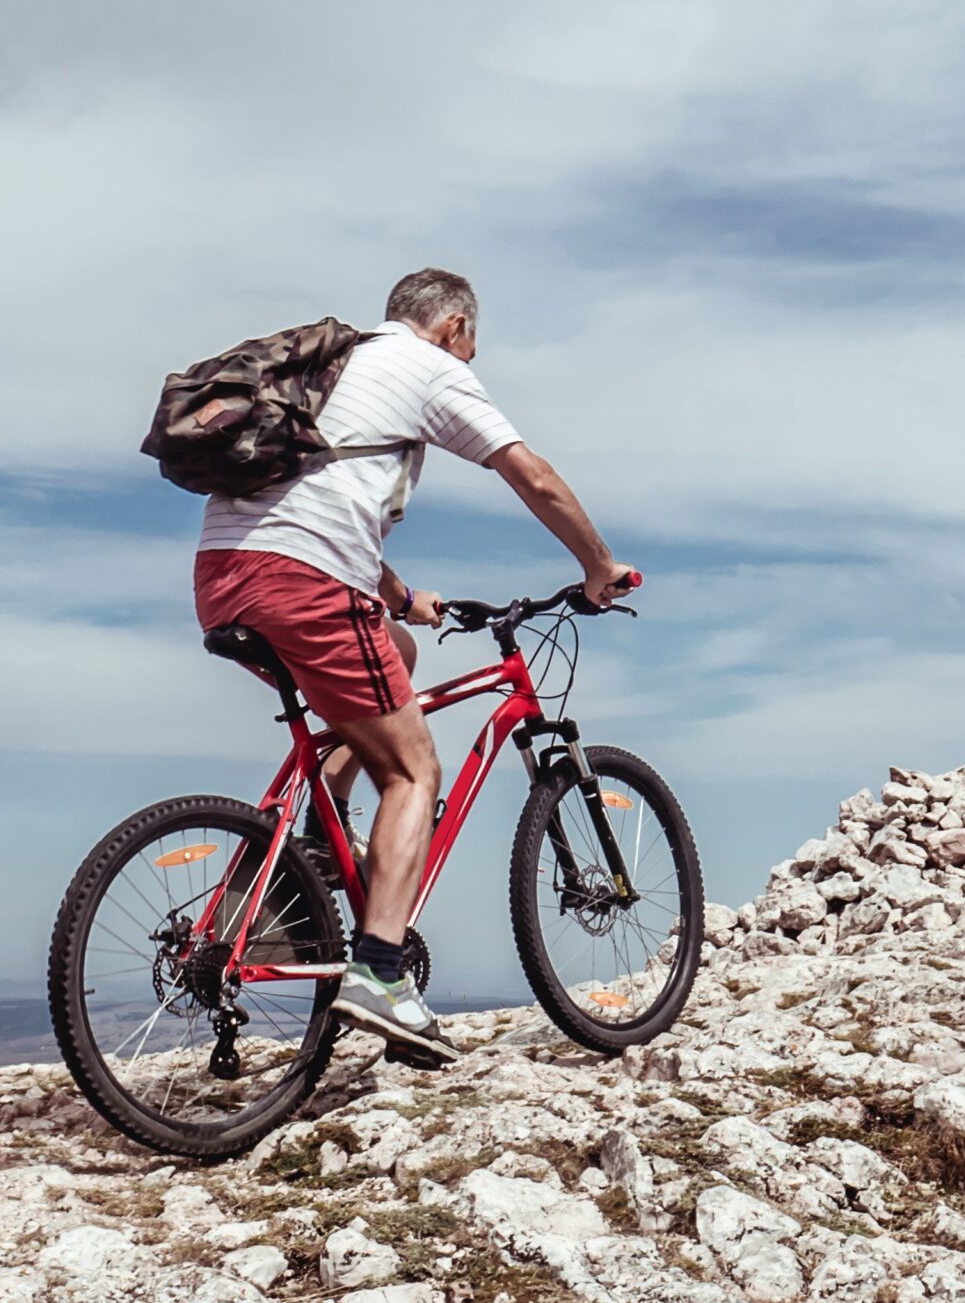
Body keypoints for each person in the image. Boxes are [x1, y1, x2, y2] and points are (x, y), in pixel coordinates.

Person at [193, 268, 636, 1067]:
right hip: (307, 581)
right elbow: (529, 473)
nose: (472, 357)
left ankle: (320, 844)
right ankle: (379, 974)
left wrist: (399, 596)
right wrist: (598, 564)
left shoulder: (335, 368)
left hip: (226, 577)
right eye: (474, 344)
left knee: (390, 657)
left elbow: (318, 501)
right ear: (454, 327)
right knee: (412, 770)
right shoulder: (429, 369)